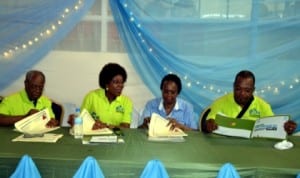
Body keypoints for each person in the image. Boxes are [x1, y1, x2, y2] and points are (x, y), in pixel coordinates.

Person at [204, 70, 297, 134]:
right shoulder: (219, 102)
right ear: (233, 86)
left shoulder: (263, 106)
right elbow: (210, 120)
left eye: (247, 90)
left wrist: (285, 128)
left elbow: (273, 126)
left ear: (253, 90)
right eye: (238, 89)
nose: (242, 94)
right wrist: (209, 124)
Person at [68, 63, 133, 129]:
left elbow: (126, 127)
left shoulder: (126, 101)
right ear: (106, 84)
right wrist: (74, 120)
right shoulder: (92, 96)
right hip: (93, 136)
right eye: (116, 82)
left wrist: (106, 126)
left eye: (122, 82)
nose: (120, 86)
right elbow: (81, 119)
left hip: (117, 137)